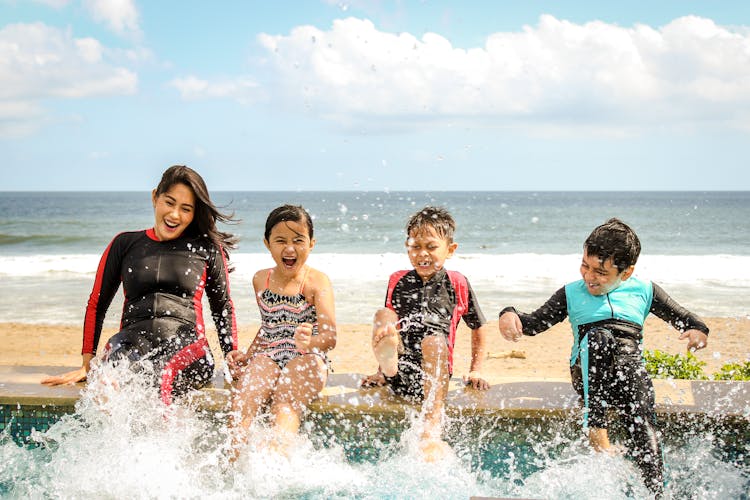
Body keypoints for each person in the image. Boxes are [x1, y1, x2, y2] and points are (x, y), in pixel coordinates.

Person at [498, 218, 709, 496]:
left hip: (628, 373)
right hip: (588, 371)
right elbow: (535, 323)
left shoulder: (644, 290)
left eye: (601, 272)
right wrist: (509, 313)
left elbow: (684, 317)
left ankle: (655, 490)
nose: (589, 276)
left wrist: (697, 330)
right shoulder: (571, 292)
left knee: (642, 414)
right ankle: (597, 431)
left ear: (627, 272)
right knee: (599, 338)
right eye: (585, 265)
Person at [42, 165, 239, 405]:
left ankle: (163, 443)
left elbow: (222, 308)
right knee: (108, 380)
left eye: (185, 209)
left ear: (193, 214)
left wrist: (231, 357)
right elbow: (97, 303)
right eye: (169, 202)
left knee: (161, 379)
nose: (175, 214)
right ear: (155, 196)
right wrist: (87, 362)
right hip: (130, 341)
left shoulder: (206, 249)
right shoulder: (124, 244)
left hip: (188, 346)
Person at [361, 206, 489, 462]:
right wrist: (379, 372)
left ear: (450, 250)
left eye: (431, 247)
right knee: (383, 316)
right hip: (401, 372)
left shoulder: (457, 282)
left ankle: (432, 423)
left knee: (432, 340)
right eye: (415, 246)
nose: (422, 254)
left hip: (435, 379)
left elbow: (479, 326)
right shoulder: (397, 279)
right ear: (407, 247)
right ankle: (386, 368)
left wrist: (476, 369)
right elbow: (390, 329)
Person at [227, 205, 336, 456]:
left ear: (311, 243)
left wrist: (309, 344)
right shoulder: (260, 279)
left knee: (284, 402)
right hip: (270, 354)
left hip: (308, 358)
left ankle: (277, 463)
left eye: (298, 240)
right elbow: (269, 327)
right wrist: (249, 354)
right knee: (243, 399)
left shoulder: (317, 281)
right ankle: (232, 464)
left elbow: (330, 338)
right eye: (280, 240)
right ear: (267, 243)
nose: (289, 248)